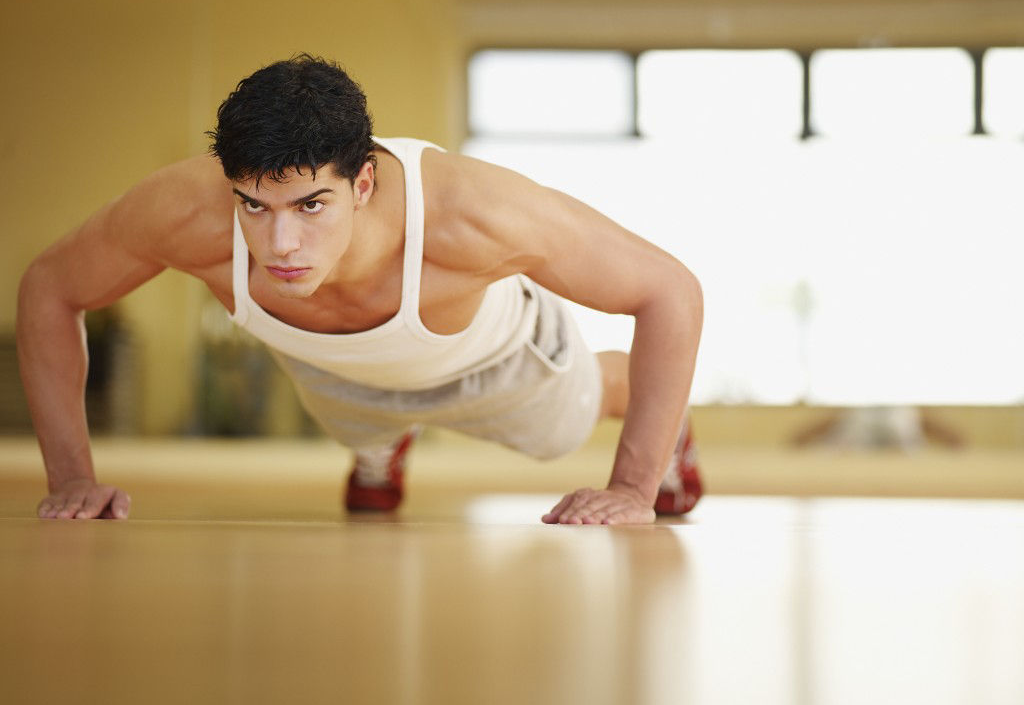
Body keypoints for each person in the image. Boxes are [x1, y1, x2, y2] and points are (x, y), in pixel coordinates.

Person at [17, 54, 704, 526]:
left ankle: (666, 429)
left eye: (311, 206)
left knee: (560, 432)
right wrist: (73, 477)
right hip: (337, 378)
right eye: (254, 205)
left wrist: (631, 487)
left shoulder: (471, 214)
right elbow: (50, 287)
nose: (280, 245)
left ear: (364, 184)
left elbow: (670, 290)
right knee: (354, 418)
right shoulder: (184, 215)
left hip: (497, 363)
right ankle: (383, 440)